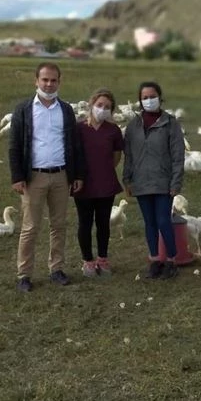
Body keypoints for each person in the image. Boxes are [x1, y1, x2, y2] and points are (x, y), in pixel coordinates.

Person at [9, 62, 85, 293]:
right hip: (34, 178)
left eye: (53, 80)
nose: (49, 84)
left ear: (59, 82)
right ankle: (24, 274)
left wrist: (77, 174)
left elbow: (74, 144)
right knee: (30, 227)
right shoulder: (23, 110)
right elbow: (14, 145)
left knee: (58, 225)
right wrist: (17, 176)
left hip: (61, 176)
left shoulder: (66, 110)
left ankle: (56, 269)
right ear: (36, 81)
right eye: (45, 80)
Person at [122, 81, 185, 280]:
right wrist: (127, 179)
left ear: (159, 96)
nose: (149, 100)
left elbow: (177, 155)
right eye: (145, 97)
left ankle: (172, 260)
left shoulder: (170, 123)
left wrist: (175, 182)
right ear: (140, 101)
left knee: (163, 221)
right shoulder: (133, 126)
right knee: (149, 222)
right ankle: (155, 260)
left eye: (152, 96)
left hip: (163, 181)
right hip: (141, 182)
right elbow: (129, 155)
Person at [74, 88, 124, 278]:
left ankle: (103, 259)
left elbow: (117, 155)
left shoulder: (113, 130)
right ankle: (87, 261)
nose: (103, 109)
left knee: (103, 223)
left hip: (106, 184)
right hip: (83, 184)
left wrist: (104, 169)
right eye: (100, 105)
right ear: (91, 105)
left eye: (107, 107)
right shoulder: (79, 128)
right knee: (85, 223)